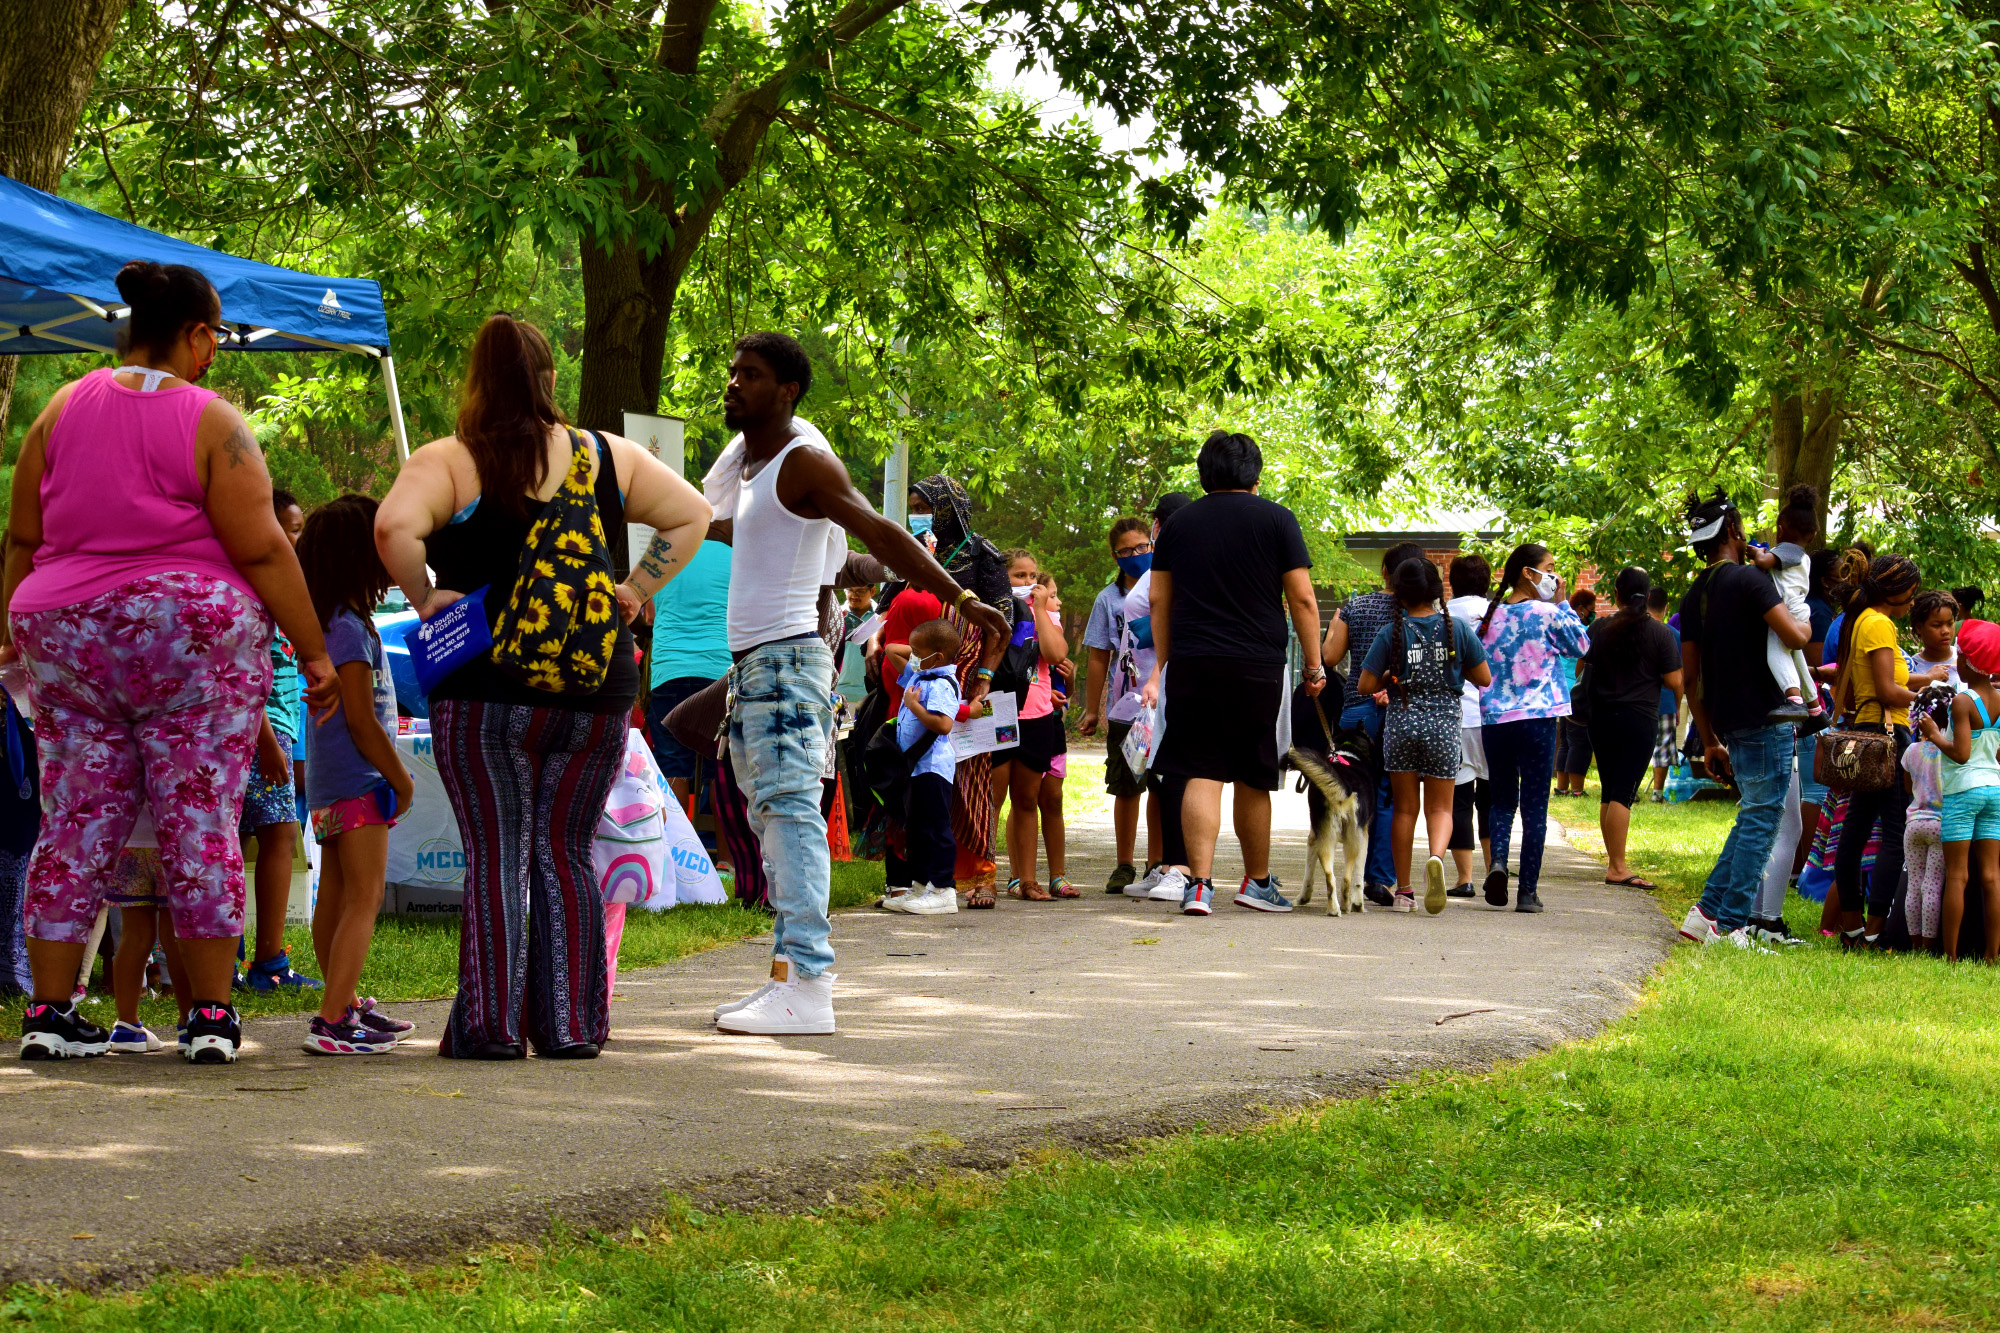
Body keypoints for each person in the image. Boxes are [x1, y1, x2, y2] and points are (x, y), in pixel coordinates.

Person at [6, 260, 335, 1064]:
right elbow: (260, 547)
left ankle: (50, 1009)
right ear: (195, 336)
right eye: (213, 338)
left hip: (68, 634)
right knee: (199, 817)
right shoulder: (210, 420)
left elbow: (21, 534)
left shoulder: (59, 407)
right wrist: (316, 651)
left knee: (75, 821)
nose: (214, 353)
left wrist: (9, 635)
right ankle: (212, 1016)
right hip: (186, 640)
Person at [374, 314, 712, 1059]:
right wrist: (631, 587)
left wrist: (426, 596)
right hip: (594, 691)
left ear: (478, 382)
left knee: (496, 851)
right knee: (565, 849)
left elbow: (394, 526)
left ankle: (490, 1027)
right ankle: (570, 1025)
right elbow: (693, 513)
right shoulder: (605, 454)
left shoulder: (452, 460)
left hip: (481, 682)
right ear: (548, 379)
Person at [698, 336, 1008, 1033]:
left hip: (787, 662)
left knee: (792, 816)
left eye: (750, 375)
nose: (733, 383)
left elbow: (880, 530)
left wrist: (960, 598)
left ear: (788, 392)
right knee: (773, 821)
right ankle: (785, 975)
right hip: (758, 666)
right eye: (732, 371)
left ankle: (809, 980)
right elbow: (709, 526)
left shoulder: (804, 460)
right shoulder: (748, 468)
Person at [1148, 430, 1325, 916]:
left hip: (1193, 661)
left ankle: (1199, 885)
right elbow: (1304, 599)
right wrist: (1314, 665)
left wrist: (1166, 662)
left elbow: (1160, 600)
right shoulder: (1276, 519)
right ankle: (1257, 883)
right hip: (1257, 665)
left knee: (1200, 769)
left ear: (1204, 474)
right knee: (1252, 771)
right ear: (1256, 474)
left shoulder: (1179, 525)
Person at [297, 495, 417, 1055]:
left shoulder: (331, 622)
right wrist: (401, 778)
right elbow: (362, 719)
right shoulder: (348, 629)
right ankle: (332, 1019)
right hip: (359, 780)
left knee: (337, 898)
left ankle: (341, 1004)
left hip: (329, 785)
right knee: (364, 898)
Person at [1676, 490, 1813, 948]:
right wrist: (1807, 623)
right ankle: (1732, 926)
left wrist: (1710, 738)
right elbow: (1794, 636)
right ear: (1733, 530)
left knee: (1751, 816)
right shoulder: (1750, 582)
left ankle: (1705, 913)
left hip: (1729, 719)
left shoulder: (1696, 592)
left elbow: (1691, 677)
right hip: (1768, 713)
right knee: (1763, 819)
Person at [875, 475, 1014, 909]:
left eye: (925, 505)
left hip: (964, 683)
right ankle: (911, 881)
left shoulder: (982, 554)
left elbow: (1002, 626)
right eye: (913, 505)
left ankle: (975, 878)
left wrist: (983, 681)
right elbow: (881, 613)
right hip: (910, 682)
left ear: (948, 509)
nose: (918, 513)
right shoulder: (908, 553)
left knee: (968, 784)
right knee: (910, 788)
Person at [1353, 556, 1490, 914]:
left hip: (1401, 726)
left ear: (1398, 593)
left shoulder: (1392, 632)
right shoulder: (1457, 629)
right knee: (1441, 807)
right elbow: (1485, 678)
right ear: (1436, 590)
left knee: (1404, 810)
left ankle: (1405, 891)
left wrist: (1389, 677)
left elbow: (1366, 684)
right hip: (1444, 727)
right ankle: (1435, 858)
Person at [1823, 554, 1940, 949]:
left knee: (1854, 834)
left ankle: (1854, 931)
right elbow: (1889, 691)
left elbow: (1857, 689)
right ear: (1896, 590)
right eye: (1911, 592)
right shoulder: (1879, 623)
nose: (1913, 600)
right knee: (1894, 835)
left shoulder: (1863, 621)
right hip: (1888, 735)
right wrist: (1933, 696)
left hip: (1869, 732)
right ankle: (1873, 934)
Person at [1474, 543, 1589, 913]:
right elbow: (1582, 644)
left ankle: (1497, 863)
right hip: (1538, 720)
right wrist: (1563, 602)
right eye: (1550, 567)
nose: (1554, 575)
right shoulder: (1547, 612)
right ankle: (1527, 891)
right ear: (1529, 572)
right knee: (1535, 806)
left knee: (1502, 800)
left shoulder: (1490, 617)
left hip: (1495, 721)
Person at [240, 487, 317, 991]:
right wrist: (268, 739)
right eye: (291, 529)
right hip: (254, 730)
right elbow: (245, 668)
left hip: (282, 731)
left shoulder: (287, 584)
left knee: (278, 835)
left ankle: (260, 960)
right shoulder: (253, 583)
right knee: (268, 835)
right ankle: (258, 961)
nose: (298, 539)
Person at [1320, 541, 1427, 905]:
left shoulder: (1357, 604)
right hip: (1400, 709)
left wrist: (1335, 624)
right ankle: (1379, 878)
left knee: (1352, 792)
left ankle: (1348, 872)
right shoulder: (1418, 610)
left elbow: (1330, 657)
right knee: (1390, 793)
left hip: (1356, 711)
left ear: (1385, 571)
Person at [1581, 568, 1683, 890]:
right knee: (1623, 792)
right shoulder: (1660, 633)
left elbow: (1583, 664)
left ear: (1616, 591)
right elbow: (1674, 680)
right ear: (1648, 593)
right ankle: (1618, 867)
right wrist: (1676, 707)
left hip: (1600, 717)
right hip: (1638, 718)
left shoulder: (1600, 626)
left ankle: (1614, 861)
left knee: (1610, 790)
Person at [1123, 492, 1197, 903]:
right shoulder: (1164, 559)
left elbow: (1167, 617)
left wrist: (1156, 675)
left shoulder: (1183, 559)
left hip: (1171, 675)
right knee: (1162, 775)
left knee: (1177, 772)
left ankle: (1181, 869)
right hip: (1157, 678)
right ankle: (1166, 864)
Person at [1080, 517, 1157, 892]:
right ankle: (1124, 864)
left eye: (1143, 547)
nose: (1137, 555)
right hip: (1126, 709)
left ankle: (1157, 864)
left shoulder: (1166, 589)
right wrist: (1092, 709)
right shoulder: (1108, 599)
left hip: (1163, 704)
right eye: (1127, 551)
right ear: (1116, 555)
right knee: (1127, 785)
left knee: (1161, 783)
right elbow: (1099, 657)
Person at [992, 551, 1071, 901]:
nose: (1027, 583)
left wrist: (1039, 610)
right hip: (998, 713)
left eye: (1032, 576)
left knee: (1026, 799)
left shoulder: (1046, 616)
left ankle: (1028, 880)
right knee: (992, 799)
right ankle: (982, 878)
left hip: (1036, 716)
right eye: (1018, 576)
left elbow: (1055, 656)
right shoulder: (990, 612)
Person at [1920, 618, 2000, 962]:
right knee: (1992, 877)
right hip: (1994, 790)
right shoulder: (1999, 698)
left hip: (1963, 792)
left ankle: (1951, 956)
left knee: (1958, 875)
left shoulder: (1962, 701)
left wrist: (1935, 735)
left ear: (1968, 662)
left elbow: (1961, 753)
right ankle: (1992, 954)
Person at [647, 537, 733, 808]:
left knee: (673, 763)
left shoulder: (664, 553)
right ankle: (716, 846)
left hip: (670, 669)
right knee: (718, 762)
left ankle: (678, 847)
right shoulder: (734, 555)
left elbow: (648, 616)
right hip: (720, 672)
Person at [1749, 485, 1829, 729]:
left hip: (1788, 612)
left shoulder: (1786, 550)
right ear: (1813, 534)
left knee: (1775, 654)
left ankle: (1793, 699)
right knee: (1797, 659)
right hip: (1799, 612)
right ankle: (1815, 709)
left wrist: (1752, 551)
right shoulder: (1802, 556)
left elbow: (1763, 562)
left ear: (1780, 529)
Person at [896, 619, 964, 910]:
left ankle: (943, 889)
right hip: (915, 769)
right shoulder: (920, 676)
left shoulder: (941, 685)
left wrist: (914, 707)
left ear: (936, 657)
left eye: (915, 650)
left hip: (933, 768)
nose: (910, 654)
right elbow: (890, 651)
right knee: (917, 829)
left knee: (936, 828)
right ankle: (920, 885)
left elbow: (944, 724)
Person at [1445, 554, 1495, 897]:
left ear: (1453, 581)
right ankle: (1496, 869)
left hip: (1457, 714)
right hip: (1494, 715)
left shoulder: (1443, 613)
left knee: (1458, 799)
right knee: (1493, 798)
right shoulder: (1499, 613)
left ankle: (1465, 879)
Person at [1902, 705, 1947, 953]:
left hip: (1914, 823)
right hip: (1940, 824)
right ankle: (1929, 945)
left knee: (1914, 884)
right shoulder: (1949, 752)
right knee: (1932, 884)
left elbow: (1908, 789)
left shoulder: (1911, 751)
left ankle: (1914, 942)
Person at [1554, 587, 1598, 797]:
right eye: (1591, 609)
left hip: (1562, 691)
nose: (1593, 613)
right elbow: (1582, 663)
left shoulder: (1562, 625)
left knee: (1565, 741)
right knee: (1579, 741)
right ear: (1580, 609)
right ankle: (1577, 790)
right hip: (1576, 692)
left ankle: (1562, 787)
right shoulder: (1580, 631)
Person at [1646, 586, 1685, 801]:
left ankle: (1629, 790)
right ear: (1667, 607)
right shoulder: (1675, 636)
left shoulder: (1636, 631)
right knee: (1662, 746)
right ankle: (1657, 792)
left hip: (1638, 700)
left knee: (1635, 745)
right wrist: (1678, 706)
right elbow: (1679, 675)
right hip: (1667, 700)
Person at [834, 583, 877, 710]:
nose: (853, 595)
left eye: (860, 591)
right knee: (838, 730)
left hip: (868, 693)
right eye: (850, 590)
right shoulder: (837, 615)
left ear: (872, 591)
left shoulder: (879, 617)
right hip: (837, 692)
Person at [1908, 589, 1961, 690]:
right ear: (1919, 628)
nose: (1945, 631)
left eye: (1950, 624)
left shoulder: (1966, 660)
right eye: (1937, 625)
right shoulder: (1912, 668)